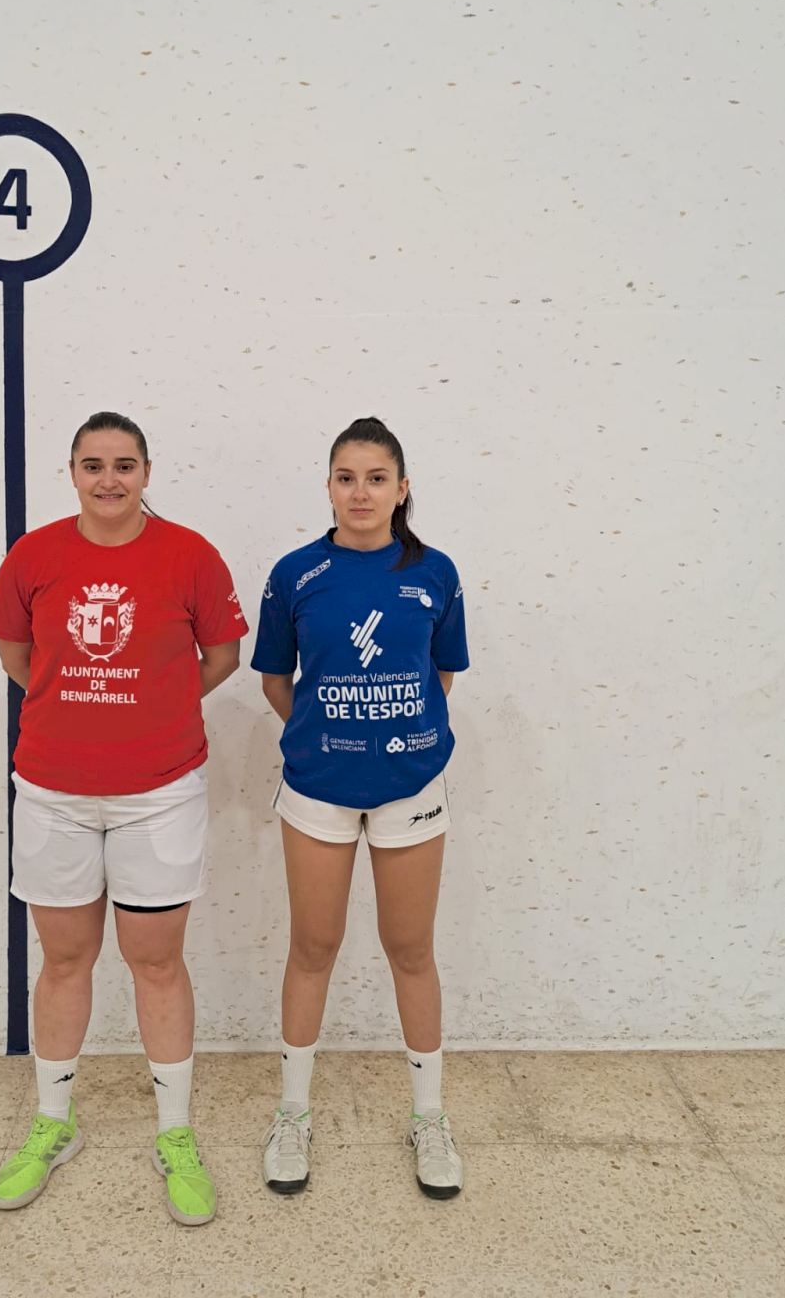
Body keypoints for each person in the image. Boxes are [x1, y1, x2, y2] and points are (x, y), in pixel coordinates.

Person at [0, 411, 247, 1225]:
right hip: (53, 792)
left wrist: (155, 708)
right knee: (65, 960)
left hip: (159, 793)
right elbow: (18, 657)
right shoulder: (32, 556)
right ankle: (53, 1124)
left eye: (124, 465)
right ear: (71, 472)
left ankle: (175, 1134)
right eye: (93, 465)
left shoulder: (191, 555)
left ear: (146, 472)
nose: (109, 479)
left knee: (155, 961)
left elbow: (223, 656)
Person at [252, 416, 469, 1199]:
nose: (361, 492)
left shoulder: (435, 572)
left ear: (402, 489)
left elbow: (441, 675)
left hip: (411, 788)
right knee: (314, 946)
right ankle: (292, 1115)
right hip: (319, 789)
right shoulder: (295, 574)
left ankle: (430, 1118)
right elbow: (276, 680)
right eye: (346, 478)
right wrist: (330, 738)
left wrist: (391, 741)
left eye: (377, 478)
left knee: (410, 949)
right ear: (329, 487)